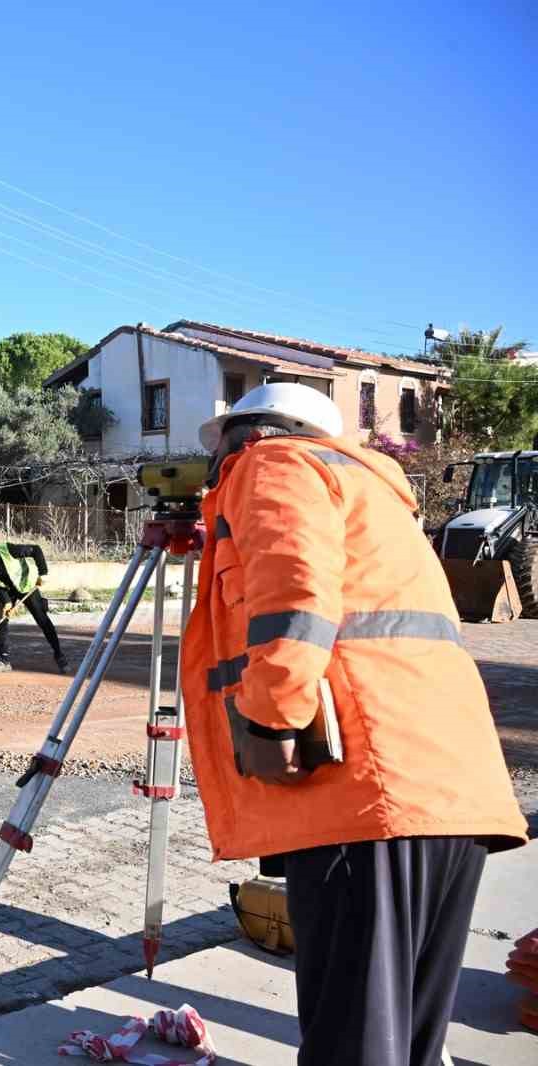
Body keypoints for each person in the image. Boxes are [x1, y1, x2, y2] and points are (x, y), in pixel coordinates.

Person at [181, 383, 527, 1066]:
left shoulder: (275, 464)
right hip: (443, 796)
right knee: (407, 1046)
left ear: (252, 433)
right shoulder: (369, 494)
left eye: (217, 448)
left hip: (365, 801)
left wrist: (273, 720)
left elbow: (293, 592)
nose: (212, 468)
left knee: (355, 1050)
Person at [0, 532, 68, 674]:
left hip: (27, 585)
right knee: (0, 615)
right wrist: (6, 602)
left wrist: (43, 573)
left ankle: (59, 654)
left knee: (41, 618)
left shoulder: (8, 550)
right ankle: (4, 661)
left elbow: (36, 550)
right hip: (8, 591)